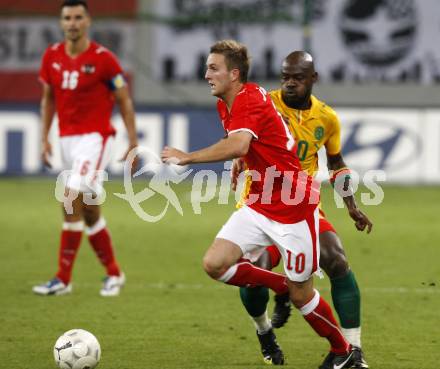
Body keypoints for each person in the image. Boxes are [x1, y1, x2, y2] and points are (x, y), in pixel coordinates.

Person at [162, 40, 355, 369]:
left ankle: (343, 351)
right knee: (215, 264)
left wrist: (189, 157)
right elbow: (250, 142)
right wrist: (245, 158)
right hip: (259, 203)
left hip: (294, 206)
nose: (206, 73)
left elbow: (238, 144)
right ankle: (280, 284)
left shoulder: (249, 98)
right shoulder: (228, 102)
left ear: (234, 74)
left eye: (213, 68)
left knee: (302, 296)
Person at [233, 51, 372, 368]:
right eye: (285, 77)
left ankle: (353, 349)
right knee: (254, 273)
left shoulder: (326, 118)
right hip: (262, 204)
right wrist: (239, 157)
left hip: (302, 206)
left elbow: (336, 163)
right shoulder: (263, 103)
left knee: (337, 260)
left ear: (313, 79)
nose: (289, 83)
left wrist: (352, 205)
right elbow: (239, 136)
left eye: (297, 77)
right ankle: (264, 331)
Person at [32, 0, 138, 297]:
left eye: (79, 17)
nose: (73, 23)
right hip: (66, 140)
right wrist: (44, 137)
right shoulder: (51, 56)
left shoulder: (104, 59)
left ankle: (63, 278)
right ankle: (114, 274)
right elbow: (48, 98)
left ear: (88, 21)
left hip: (96, 138)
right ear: (61, 22)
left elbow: (124, 99)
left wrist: (132, 140)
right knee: (89, 211)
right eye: (67, 18)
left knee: (69, 200)